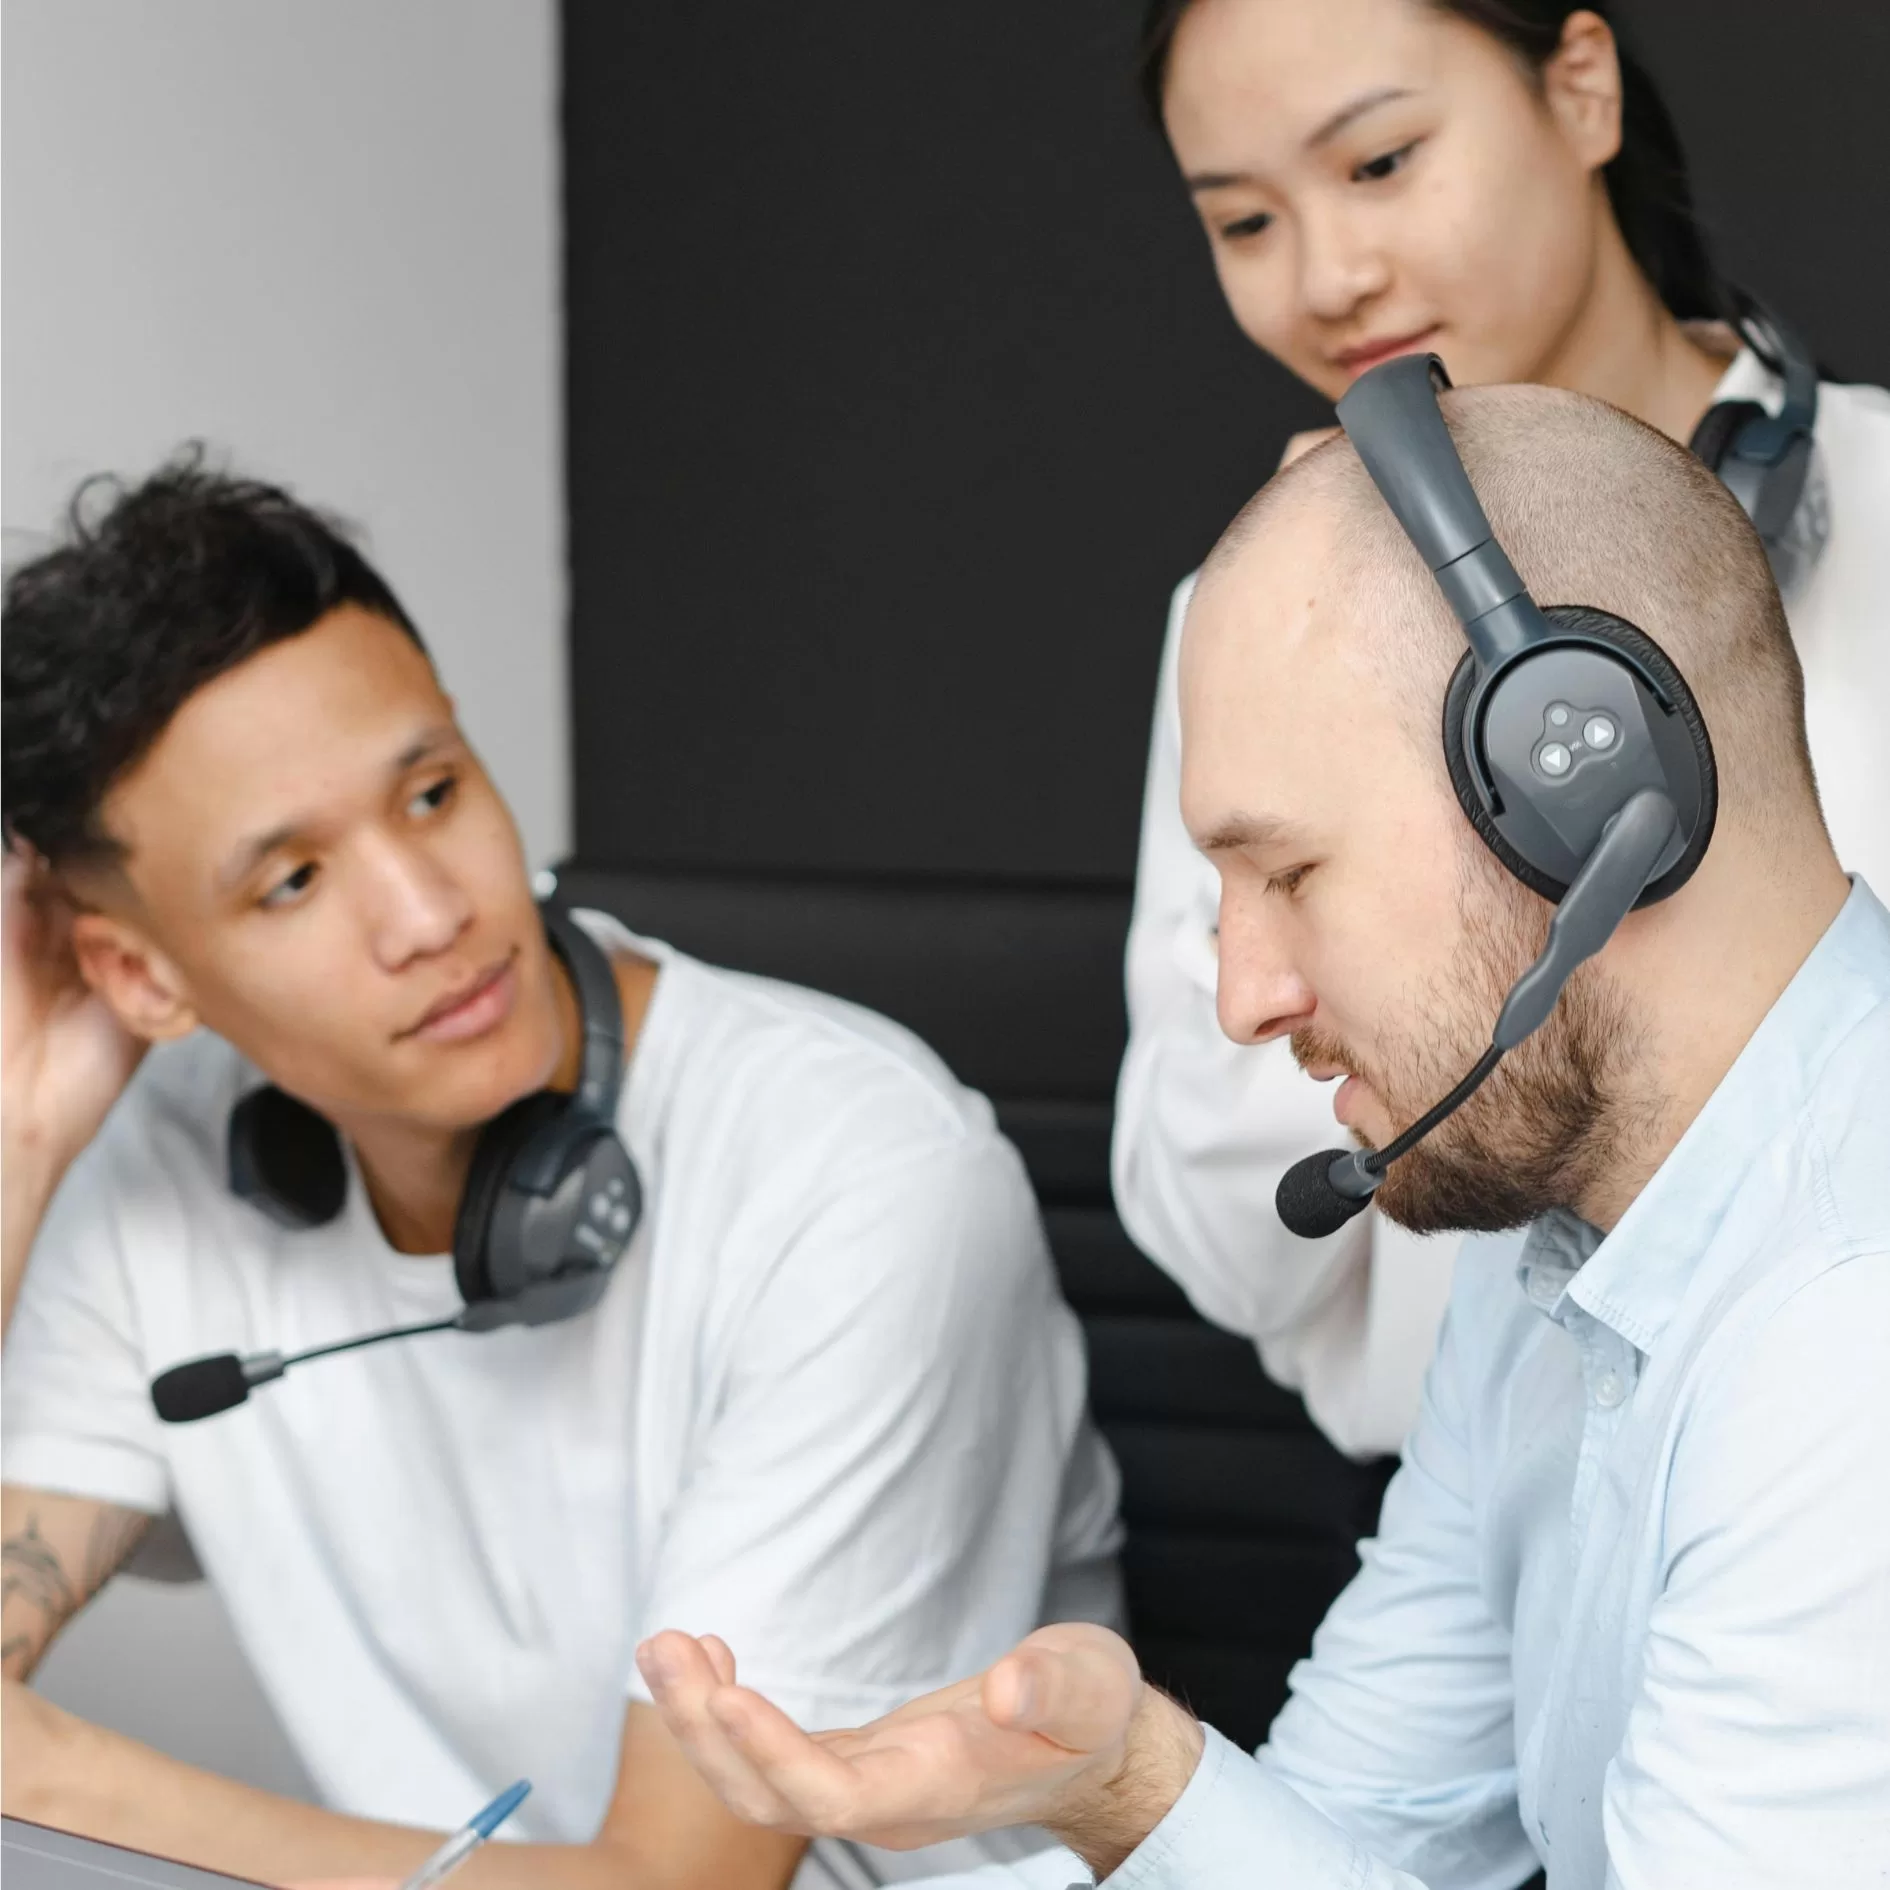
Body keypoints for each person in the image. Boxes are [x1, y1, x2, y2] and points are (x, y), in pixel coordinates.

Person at [636, 384, 1890, 1885]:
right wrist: (1113, 1788)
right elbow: (1368, 1830)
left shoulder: (1844, 1335)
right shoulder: (1561, 1238)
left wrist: (1148, 1785)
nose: (1239, 996)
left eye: (1284, 869)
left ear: (1580, 794)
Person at [0, 461, 1123, 1890]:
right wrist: (22, 1135)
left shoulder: (864, 1171)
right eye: (291, 881)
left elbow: (686, 1884)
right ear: (138, 973)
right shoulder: (164, 1163)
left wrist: (57, 1778)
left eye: (430, 791)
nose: (431, 911)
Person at [1113, 0, 1890, 1457]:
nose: (1328, 277)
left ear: (1579, 91)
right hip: (1468, 1569)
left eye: (1382, 162)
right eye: (1242, 221)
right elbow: (1233, 1253)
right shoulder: (1251, 632)